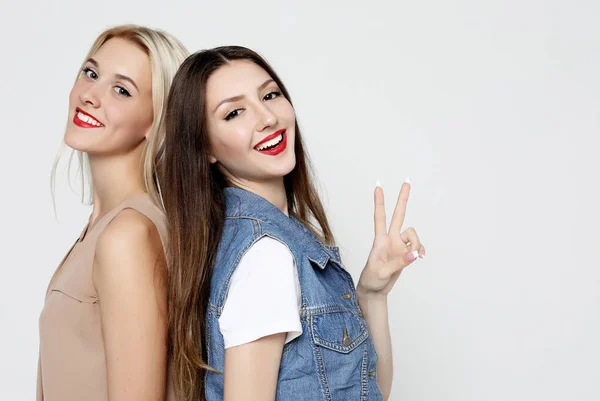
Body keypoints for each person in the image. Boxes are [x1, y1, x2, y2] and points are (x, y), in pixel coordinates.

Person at [161, 46, 426, 401]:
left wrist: (372, 293)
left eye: (270, 94)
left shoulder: (256, 241)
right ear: (205, 147)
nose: (267, 117)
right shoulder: (265, 257)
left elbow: (371, 391)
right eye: (234, 112)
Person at [38, 25, 188, 401]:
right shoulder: (107, 227)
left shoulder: (128, 235)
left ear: (156, 120)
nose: (90, 95)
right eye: (91, 73)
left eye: (121, 90)